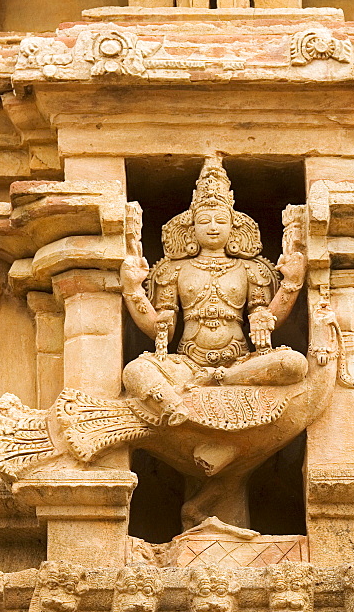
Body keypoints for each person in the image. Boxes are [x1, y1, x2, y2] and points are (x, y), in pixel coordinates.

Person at [119, 157, 308, 425]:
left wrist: (293, 282)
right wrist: (132, 289)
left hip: (241, 363)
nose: (212, 226)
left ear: (234, 228)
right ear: (191, 228)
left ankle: (221, 379)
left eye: (220, 220)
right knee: (135, 371)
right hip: (188, 364)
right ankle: (172, 406)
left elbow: (265, 320)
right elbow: (162, 330)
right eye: (204, 220)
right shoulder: (173, 270)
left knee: (294, 363)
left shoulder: (250, 268)